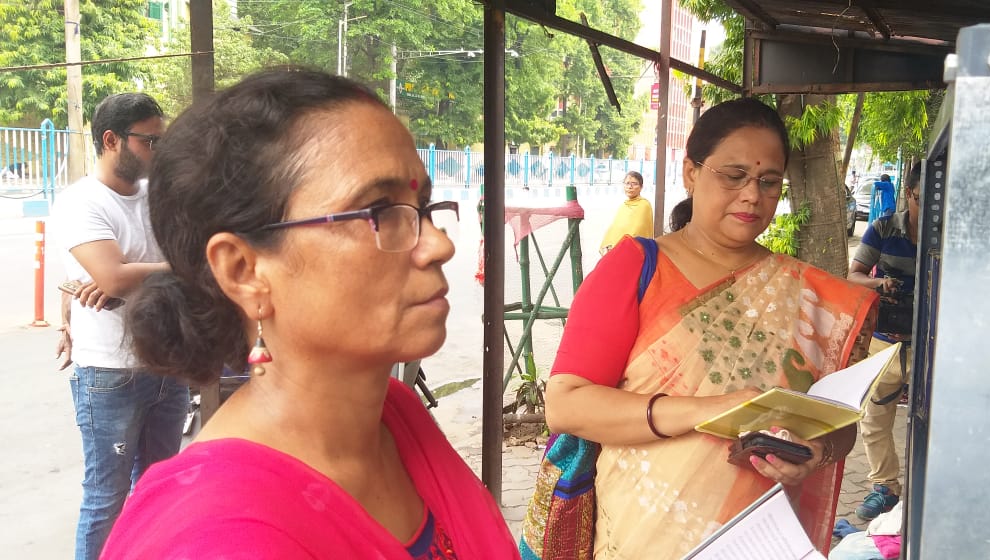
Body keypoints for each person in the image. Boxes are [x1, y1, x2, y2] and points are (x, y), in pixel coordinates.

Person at [100, 69, 517, 558]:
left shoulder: (395, 417)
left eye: (422, 206)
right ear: (244, 270)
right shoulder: (219, 541)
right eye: (378, 211)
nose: (440, 244)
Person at [524, 97, 879, 559]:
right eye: (734, 176)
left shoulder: (807, 294)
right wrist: (710, 411)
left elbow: (840, 421)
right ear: (692, 172)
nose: (752, 195)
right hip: (642, 535)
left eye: (769, 182)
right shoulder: (633, 269)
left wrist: (819, 451)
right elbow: (567, 405)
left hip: (759, 537)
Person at [50, 92, 189, 560]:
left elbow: (191, 257)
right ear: (112, 140)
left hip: (166, 364)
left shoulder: (156, 196)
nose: (158, 151)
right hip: (110, 374)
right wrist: (147, 272)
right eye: (150, 141)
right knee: (106, 501)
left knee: (160, 491)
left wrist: (133, 274)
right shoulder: (80, 204)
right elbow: (110, 277)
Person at [846, 162, 922, 521]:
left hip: (931, 344)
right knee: (874, 419)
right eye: (923, 200)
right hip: (884, 342)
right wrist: (881, 284)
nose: (931, 209)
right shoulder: (883, 227)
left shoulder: (950, 232)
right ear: (909, 194)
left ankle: (928, 490)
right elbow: (854, 275)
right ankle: (885, 489)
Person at [599, 171, 653, 255]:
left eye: (634, 184)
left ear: (641, 187)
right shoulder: (623, 206)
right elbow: (614, 227)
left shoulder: (644, 205)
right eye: (627, 183)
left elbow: (639, 230)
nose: (630, 187)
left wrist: (623, 247)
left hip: (631, 251)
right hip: (615, 249)